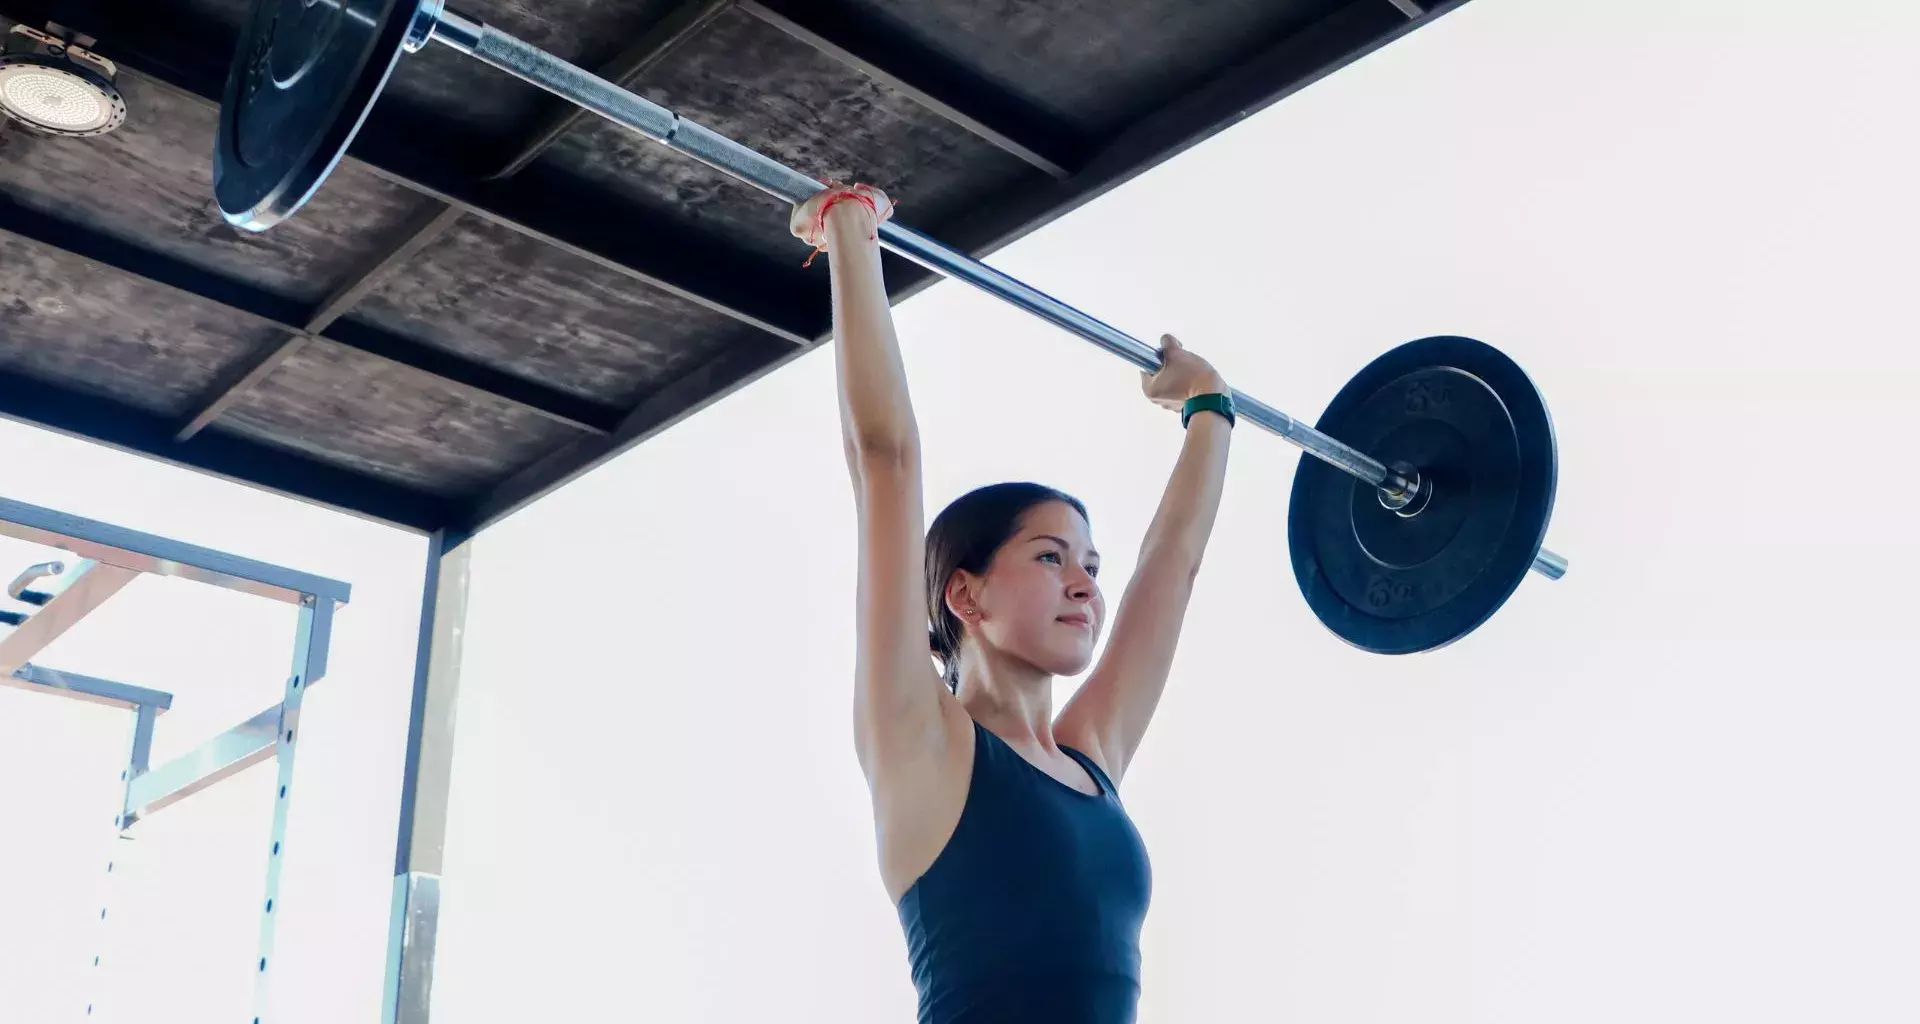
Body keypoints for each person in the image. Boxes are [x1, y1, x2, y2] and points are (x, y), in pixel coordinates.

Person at [791, 182, 1234, 1023]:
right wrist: (849, 230)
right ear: (965, 593)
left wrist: (1210, 407)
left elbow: (1171, 565)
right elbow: (885, 461)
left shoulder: (1090, 755)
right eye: (1049, 556)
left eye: (1090, 566)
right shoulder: (920, 738)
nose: (1085, 584)